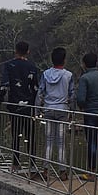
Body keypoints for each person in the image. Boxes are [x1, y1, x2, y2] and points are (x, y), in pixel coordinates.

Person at [0, 41, 40, 174]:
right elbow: (35, 87)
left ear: (15, 51)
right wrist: (36, 104)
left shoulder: (10, 65)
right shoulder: (32, 66)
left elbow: (5, 85)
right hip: (29, 106)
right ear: (28, 51)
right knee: (30, 134)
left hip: (14, 105)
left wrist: (1, 99)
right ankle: (32, 164)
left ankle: (15, 164)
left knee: (16, 134)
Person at [37, 46, 76, 180]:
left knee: (48, 141)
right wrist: (72, 111)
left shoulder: (45, 74)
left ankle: (46, 169)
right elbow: (72, 95)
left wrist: (37, 110)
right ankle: (63, 171)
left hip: (48, 109)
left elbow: (40, 93)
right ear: (64, 60)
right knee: (61, 142)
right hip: (62, 110)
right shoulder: (68, 75)